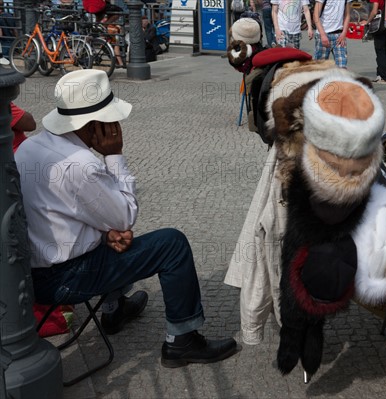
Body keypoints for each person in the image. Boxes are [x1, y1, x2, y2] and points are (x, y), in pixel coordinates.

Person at [15, 70, 238, 368]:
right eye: (110, 121)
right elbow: (125, 215)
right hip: (67, 278)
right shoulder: (81, 164)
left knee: (108, 236)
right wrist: (115, 156)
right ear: (94, 125)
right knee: (172, 244)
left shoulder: (30, 147)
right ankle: (182, 340)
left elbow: (59, 210)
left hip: (35, 271)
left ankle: (114, 308)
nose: (116, 127)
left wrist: (104, 233)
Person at [313, 0, 352, 68]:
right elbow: (315, 16)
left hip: (339, 35)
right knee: (320, 68)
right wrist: (322, 35)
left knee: (342, 67)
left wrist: (344, 33)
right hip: (323, 34)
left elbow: (347, 15)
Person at [362, 0, 386, 84]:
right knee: (385, 49)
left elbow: (374, 11)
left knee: (380, 51)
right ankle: (380, 74)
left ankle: (383, 77)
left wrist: (367, 21)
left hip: (379, 26)